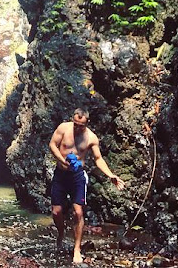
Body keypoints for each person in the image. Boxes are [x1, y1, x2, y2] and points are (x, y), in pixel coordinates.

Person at [49, 108, 125, 264]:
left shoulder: (91, 138)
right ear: (73, 120)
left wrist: (111, 175)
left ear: (87, 123)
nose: (77, 128)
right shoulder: (63, 128)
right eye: (75, 124)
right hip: (60, 174)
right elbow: (52, 145)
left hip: (77, 177)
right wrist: (62, 161)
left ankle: (76, 249)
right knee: (56, 212)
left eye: (81, 125)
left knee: (78, 212)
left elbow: (98, 159)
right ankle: (61, 234)